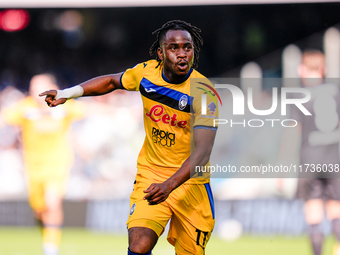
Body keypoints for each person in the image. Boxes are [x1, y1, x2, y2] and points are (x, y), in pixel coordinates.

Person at [40, 20, 218, 255]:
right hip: (152, 175)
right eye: (173, 47)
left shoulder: (205, 94)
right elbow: (112, 82)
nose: (182, 53)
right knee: (139, 244)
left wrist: (170, 185)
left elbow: (202, 153)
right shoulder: (146, 74)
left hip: (191, 185)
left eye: (187, 47)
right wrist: (67, 93)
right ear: (160, 53)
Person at [1, 74, 85, 255]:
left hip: (58, 164)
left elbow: (87, 110)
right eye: (33, 86)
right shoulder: (25, 108)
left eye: (39, 86)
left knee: (52, 203)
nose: (34, 90)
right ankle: (47, 234)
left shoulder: (64, 104)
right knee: (40, 210)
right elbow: (4, 117)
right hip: (32, 168)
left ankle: (51, 248)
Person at [291, 50, 340, 255]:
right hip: (335, 160)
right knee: (336, 211)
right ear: (324, 69)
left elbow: (294, 132)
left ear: (302, 69)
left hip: (309, 161)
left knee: (313, 214)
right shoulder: (336, 91)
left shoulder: (299, 96)